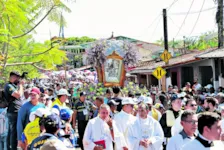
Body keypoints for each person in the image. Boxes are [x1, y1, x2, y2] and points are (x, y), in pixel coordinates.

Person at [4, 71, 24, 150]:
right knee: (14, 132)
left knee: (11, 131)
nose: (17, 79)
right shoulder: (9, 86)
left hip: (15, 111)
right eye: (16, 77)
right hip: (13, 111)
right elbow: (18, 95)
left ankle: (9, 148)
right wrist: (21, 85)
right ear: (12, 77)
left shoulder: (14, 85)